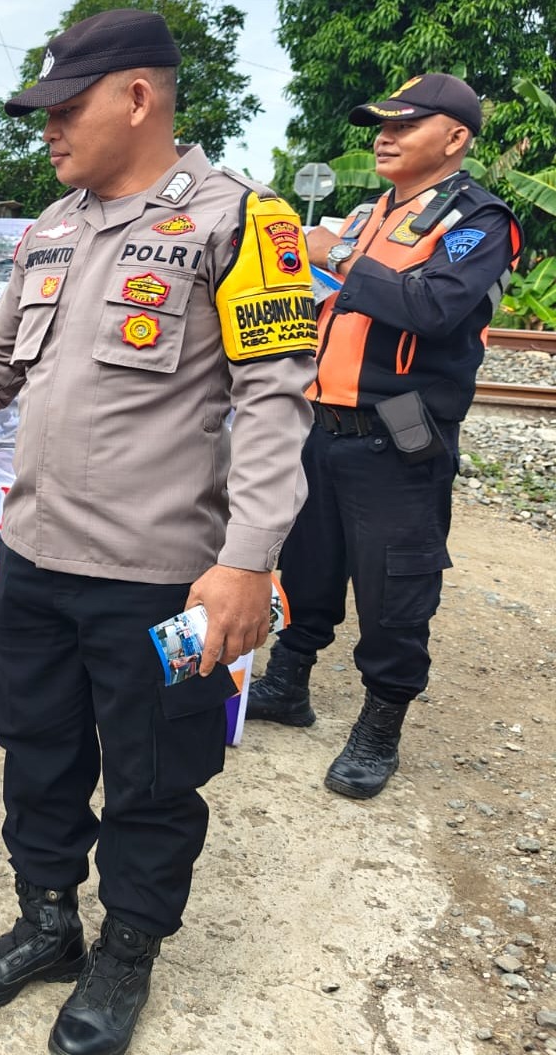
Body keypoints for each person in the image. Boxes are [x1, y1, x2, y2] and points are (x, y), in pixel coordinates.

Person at [0, 11, 315, 1054]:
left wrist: (246, 560)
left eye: (66, 108)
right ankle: (47, 922)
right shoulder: (52, 227)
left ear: (138, 97)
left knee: (155, 774)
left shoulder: (241, 222)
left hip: (162, 580)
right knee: (34, 748)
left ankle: (126, 949)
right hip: (33, 563)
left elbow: (273, 399)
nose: (47, 129)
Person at [247, 74, 522, 800]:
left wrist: (333, 254)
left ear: (455, 138)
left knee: (396, 584)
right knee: (306, 560)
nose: (385, 135)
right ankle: (289, 682)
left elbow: (435, 306)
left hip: (400, 432)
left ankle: (380, 725)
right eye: (382, 124)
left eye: (406, 124)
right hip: (322, 422)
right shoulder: (372, 213)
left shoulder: (480, 219)